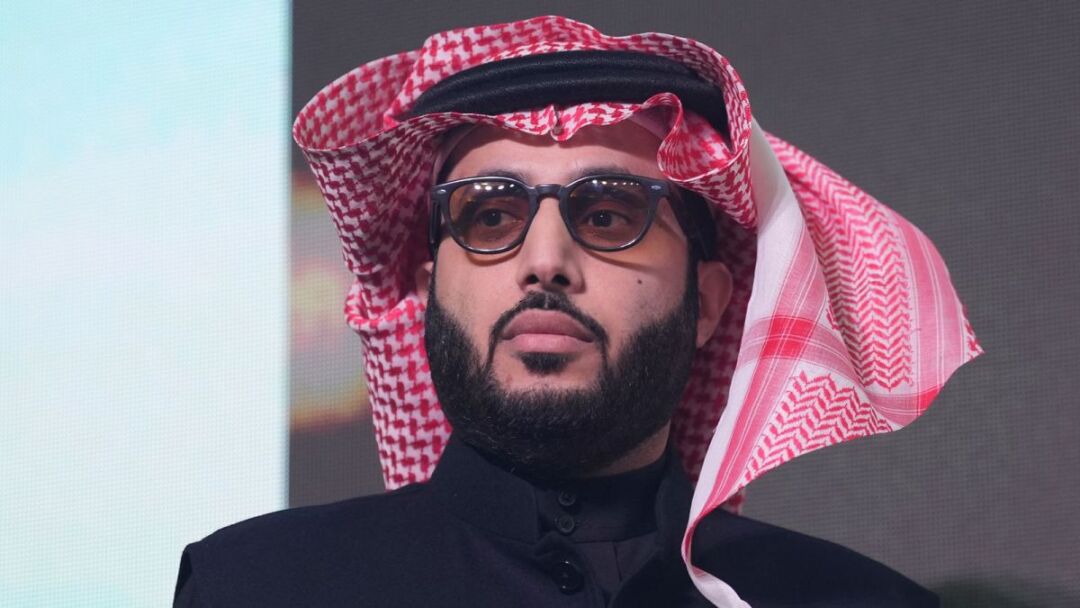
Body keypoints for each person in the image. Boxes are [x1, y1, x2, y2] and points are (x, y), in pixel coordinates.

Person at [174, 16, 979, 607]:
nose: (545, 260)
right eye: (492, 215)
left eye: (607, 214)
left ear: (707, 303)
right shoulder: (258, 585)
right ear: (427, 290)